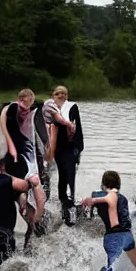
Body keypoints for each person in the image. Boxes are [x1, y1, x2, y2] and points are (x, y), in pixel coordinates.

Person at [0, 88, 47, 225]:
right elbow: (3, 122)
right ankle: (32, 216)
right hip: (16, 153)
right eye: (26, 102)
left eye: (30, 102)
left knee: (32, 184)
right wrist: (11, 146)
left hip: (25, 151)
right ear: (20, 99)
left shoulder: (29, 110)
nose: (27, 106)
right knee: (29, 183)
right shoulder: (13, 107)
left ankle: (35, 216)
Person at [46, 85, 83, 225]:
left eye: (63, 93)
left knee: (69, 173)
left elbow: (77, 126)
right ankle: (62, 200)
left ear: (67, 96)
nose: (61, 95)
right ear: (53, 95)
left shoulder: (72, 106)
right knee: (61, 174)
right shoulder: (48, 107)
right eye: (57, 93)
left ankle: (71, 201)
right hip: (55, 148)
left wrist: (79, 148)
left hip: (70, 147)